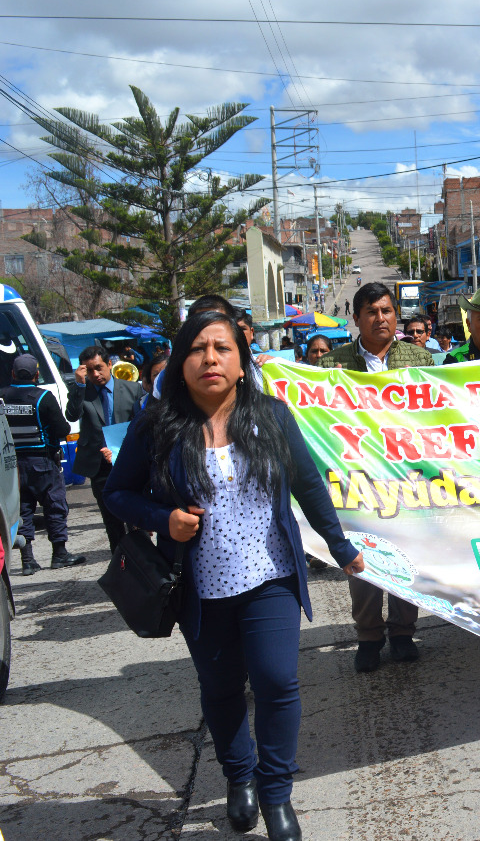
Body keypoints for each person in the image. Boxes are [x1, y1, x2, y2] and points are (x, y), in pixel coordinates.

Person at [104, 310, 366, 840]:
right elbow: (117, 492)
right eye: (197, 349)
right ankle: (238, 777)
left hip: (269, 578)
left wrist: (341, 548)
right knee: (221, 688)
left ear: (241, 363)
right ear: (181, 365)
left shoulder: (270, 416)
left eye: (222, 348)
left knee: (277, 681)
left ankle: (276, 795)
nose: (210, 359)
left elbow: (309, 486)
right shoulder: (156, 425)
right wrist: (165, 519)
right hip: (200, 588)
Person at [319, 282, 434, 672]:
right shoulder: (329, 366)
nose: (380, 318)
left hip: (409, 481)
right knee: (361, 560)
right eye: (371, 312)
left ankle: (403, 632)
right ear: (357, 318)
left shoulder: (421, 360)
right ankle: (368, 637)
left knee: (409, 556)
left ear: (395, 315)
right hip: (357, 482)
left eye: (386, 310)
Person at [3, 354, 79, 574]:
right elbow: (63, 430)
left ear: (13, 374)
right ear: (37, 374)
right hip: (43, 464)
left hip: (12, 467)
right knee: (54, 506)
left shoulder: (1, 397)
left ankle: (27, 560)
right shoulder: (42, 397)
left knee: (22, 510)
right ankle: (60, 554)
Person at [65, 345, 145, 554]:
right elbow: (71, 415)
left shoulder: (132, 389)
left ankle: (147, 567)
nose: (95, 374)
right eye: (90, 370)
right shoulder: (83, 392)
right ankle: (120, 569)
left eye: (99, 368)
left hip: (128, 462)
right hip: (99, 465)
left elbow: (143, 423)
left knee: (136, 518)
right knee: (111, 521)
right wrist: (79, 386)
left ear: (109, 364)